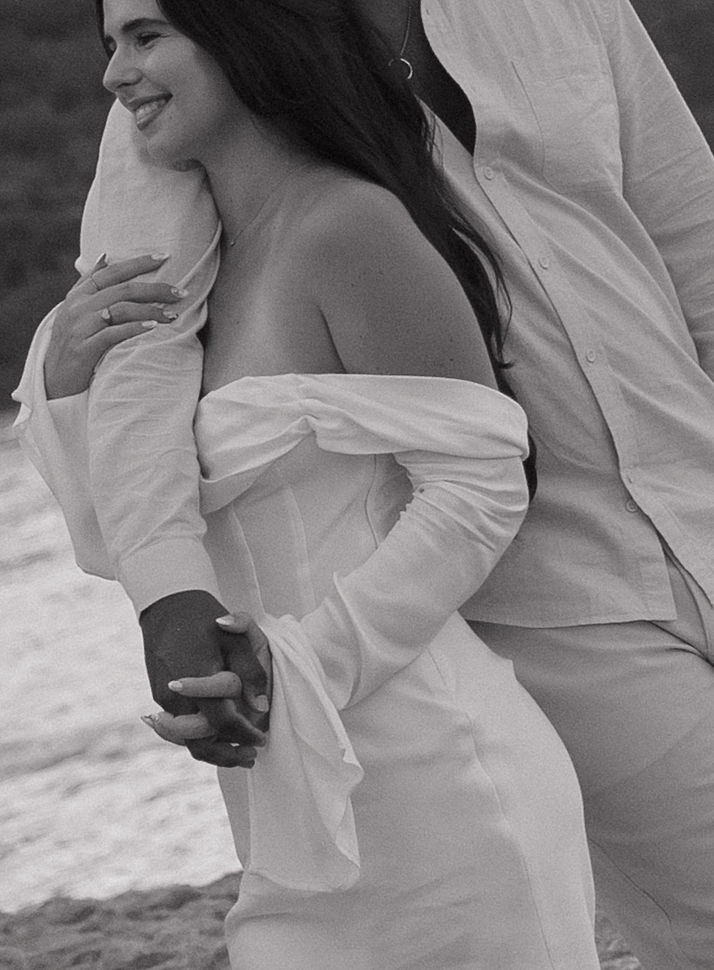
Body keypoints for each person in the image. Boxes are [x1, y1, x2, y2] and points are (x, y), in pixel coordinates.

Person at [14, 0, 714, 966]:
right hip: (536, 596)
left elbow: (691, 232)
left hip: (694, 489)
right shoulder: (207, 73)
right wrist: (170, 596)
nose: (116, 71)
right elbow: (139, 387)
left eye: (135, 41)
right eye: (111, 45)